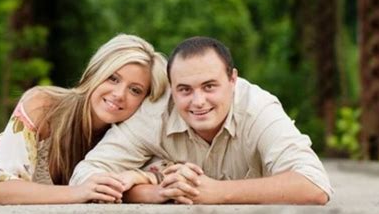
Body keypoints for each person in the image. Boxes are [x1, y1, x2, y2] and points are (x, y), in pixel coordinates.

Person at [70, 36, 332, 205]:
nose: (198, 101)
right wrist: (157, 191)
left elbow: (314, 185)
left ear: (232, 80)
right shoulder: (154, 114)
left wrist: (217, 192)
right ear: (171, 88)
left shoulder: (258, 108)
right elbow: (85, 175)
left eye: (209, 87)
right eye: (184, 90)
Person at [0, 34, 168, 205]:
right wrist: (77, 192)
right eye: (113, 78)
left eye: (135, 90)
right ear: (94, 74)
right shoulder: (42, 104)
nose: (119, 94)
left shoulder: (136, 135)